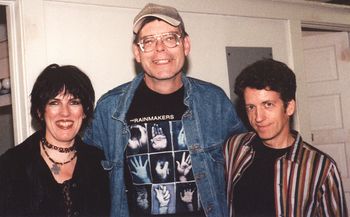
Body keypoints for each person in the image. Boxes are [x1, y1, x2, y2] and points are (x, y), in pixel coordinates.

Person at [83, 3, 246, 217]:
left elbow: (247, 167)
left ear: (185, 45)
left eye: (170, 38)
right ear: (137, 53)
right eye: (148, 42)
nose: (160, 48)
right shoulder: (110, 108)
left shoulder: (214, 102)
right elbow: (83, 174)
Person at [224, 59, 348, 217]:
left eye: (268, 104)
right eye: (251, 107)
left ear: (289, 107)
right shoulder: (234, 148)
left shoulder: (321, 168)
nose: (258, 117)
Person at [0, 64, 110, 216]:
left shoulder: (99, 163)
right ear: (40, 111)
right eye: (54, 103)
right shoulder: (10, 166)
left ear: (84, 112)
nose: (65, 113)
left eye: (74, 102)